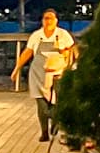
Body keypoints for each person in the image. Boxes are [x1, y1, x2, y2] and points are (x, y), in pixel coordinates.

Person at [13, 9, 76, 142]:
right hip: (38, 74)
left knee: (56, 102)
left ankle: (56, 121)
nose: (48, 21)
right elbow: (27, 53)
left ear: (56, 21)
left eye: (51, 18)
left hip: (58, 73)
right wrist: (17, 68)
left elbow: (72, 51)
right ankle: (44, 132)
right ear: (42, 21)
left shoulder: (63, 35)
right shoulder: (36, 35)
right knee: (42, 106)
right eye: (45, 18)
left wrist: (68, 59)